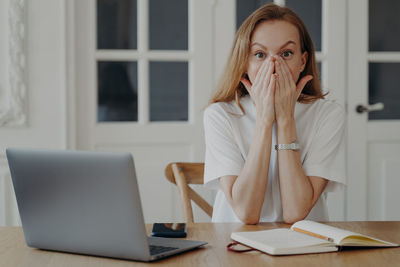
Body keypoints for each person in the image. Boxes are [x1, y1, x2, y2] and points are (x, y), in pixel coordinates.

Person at [203, 3, 346, 224]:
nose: (273, 66)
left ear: (302, 61)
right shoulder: (220, 115)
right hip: (234, 246)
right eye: (260, 54)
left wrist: (286, 119)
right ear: (244, 63)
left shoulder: (327, 114)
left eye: (286, 53)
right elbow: (246, 213)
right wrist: (264, 120)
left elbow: (295, 213)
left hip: (305, 246)